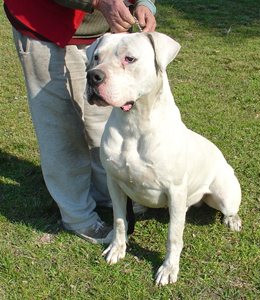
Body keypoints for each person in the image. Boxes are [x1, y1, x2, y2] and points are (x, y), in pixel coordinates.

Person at [3, 0, 156, 245]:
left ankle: (106, 193)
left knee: (102, 119)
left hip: (102, 29)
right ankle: (78, 215)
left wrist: (144, 3)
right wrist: (96, 2)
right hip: (44, 22)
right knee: (61, 125)